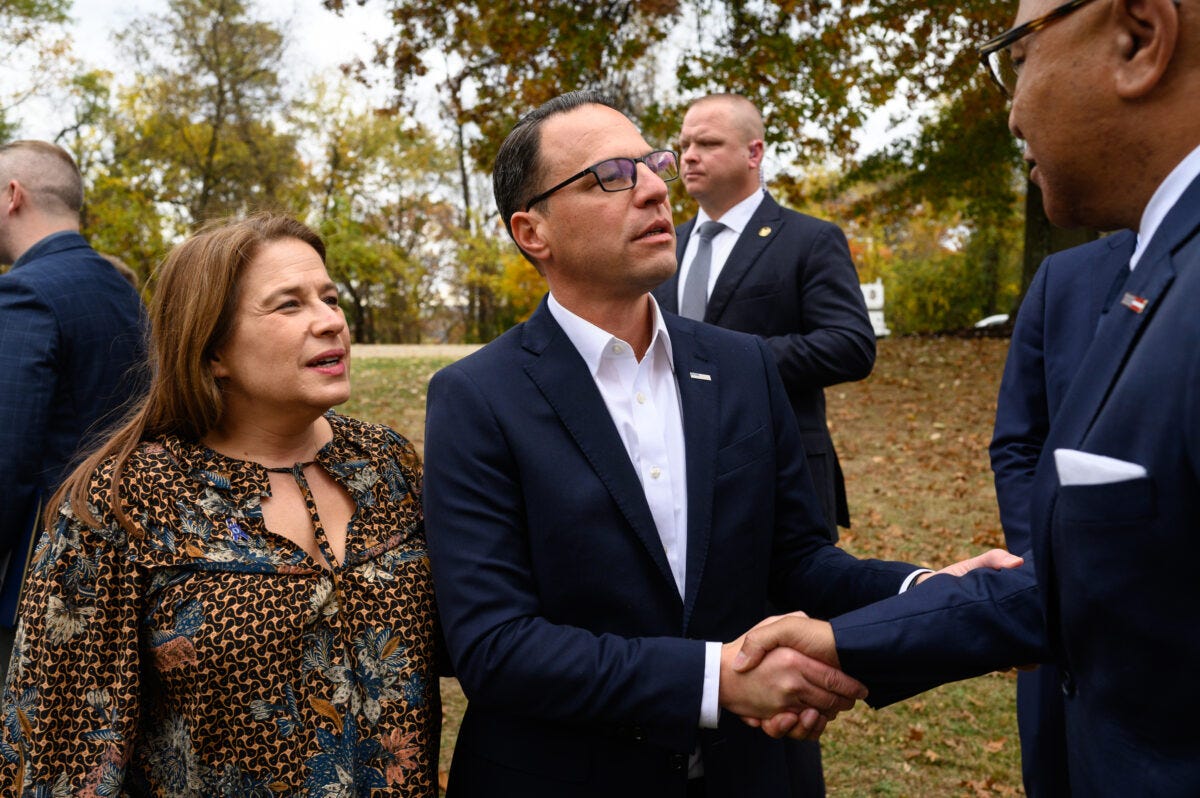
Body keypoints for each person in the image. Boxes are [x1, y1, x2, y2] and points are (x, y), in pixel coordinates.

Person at [422, 90, 1018, 798]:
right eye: (611, 175)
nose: (651, 188)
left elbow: (797, 562)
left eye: (652, 164)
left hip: (756, 774)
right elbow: (495, 647)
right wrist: (718, 681)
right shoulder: (476, 397)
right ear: (532, 231)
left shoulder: (742, 365)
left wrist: (925, 592)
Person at [734, 0, 1200, 792]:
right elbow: (1100, 585)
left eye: (1018, 58)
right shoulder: (1155, 273)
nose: (1014, 111)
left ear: (1139, 38)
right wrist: (849, 640)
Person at [0, 213, 441, 794]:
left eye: (329, 298)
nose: (330, 321)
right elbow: (57, 752)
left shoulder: (387, 465)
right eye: (289, 305)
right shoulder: (123, 500)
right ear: (212, 351)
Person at [653, 94, 875, 543]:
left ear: (754, 153)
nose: (689, 156)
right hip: (676, 476)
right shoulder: (662, 249)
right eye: (683, 145)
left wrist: (727, 359)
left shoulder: (809, 239)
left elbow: (851, 346)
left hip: (779, 474)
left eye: (708, 143)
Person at [989, 229, 1133, 797]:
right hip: (1061, 632)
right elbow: (1020, 443)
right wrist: (1045, 561)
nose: (1021, 139)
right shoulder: (1062, 276)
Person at [0, 140, 147, 683]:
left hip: (38, 588)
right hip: (127, 571)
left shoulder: (24, 294)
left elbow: (5, 458)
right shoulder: (122, 290)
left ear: (13, 195)